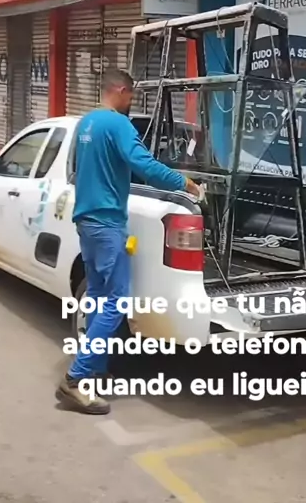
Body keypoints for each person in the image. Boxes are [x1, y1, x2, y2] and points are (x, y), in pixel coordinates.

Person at [56, 68, 201, 415]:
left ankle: (95, 369)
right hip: (107, 223)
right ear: (121, 90)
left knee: (96, 295)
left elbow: (81, 169)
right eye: (131, 95)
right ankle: (75, 379)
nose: (131, 101)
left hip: (86, 220)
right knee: (117, 301)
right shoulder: (118, 124)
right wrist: (186, 184)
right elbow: (144, 165)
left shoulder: (87, 123)